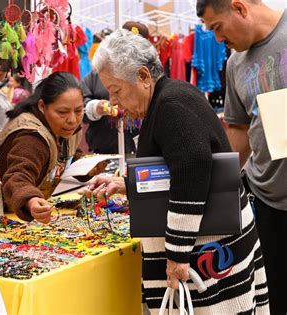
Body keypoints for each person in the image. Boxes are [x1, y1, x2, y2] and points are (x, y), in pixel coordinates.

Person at [86, 29, 269, 313]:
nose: (114, 101)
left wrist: (178, 254)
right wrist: (126, 183)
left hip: (207, 249)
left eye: (117, 90)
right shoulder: (169, 98)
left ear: (144, 77)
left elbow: (192, 168)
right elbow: (170, 169)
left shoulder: (171, 104)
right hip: (214, 242)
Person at [197, 1, 286, 313]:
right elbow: (238, 132)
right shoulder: (235, 63)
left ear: (239, 7)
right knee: (274, 299)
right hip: (269, 204)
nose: (218, 39)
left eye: (217, 27)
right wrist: (209, 183)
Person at [0, 72, 87, 223]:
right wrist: (31, 200)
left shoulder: (61, 128)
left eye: (79, 111)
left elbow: (67, 154)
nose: (72, 120)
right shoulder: (31, 137)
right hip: (5, 218)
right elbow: (17, 176)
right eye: (62, 112)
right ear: (42, 106)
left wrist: (88, 168)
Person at [83, 21, 149, 155]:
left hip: (141, 149)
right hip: (103, 149)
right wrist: (96, 107)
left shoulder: (149, 76)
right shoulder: (99, 72)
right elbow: (80, 105)